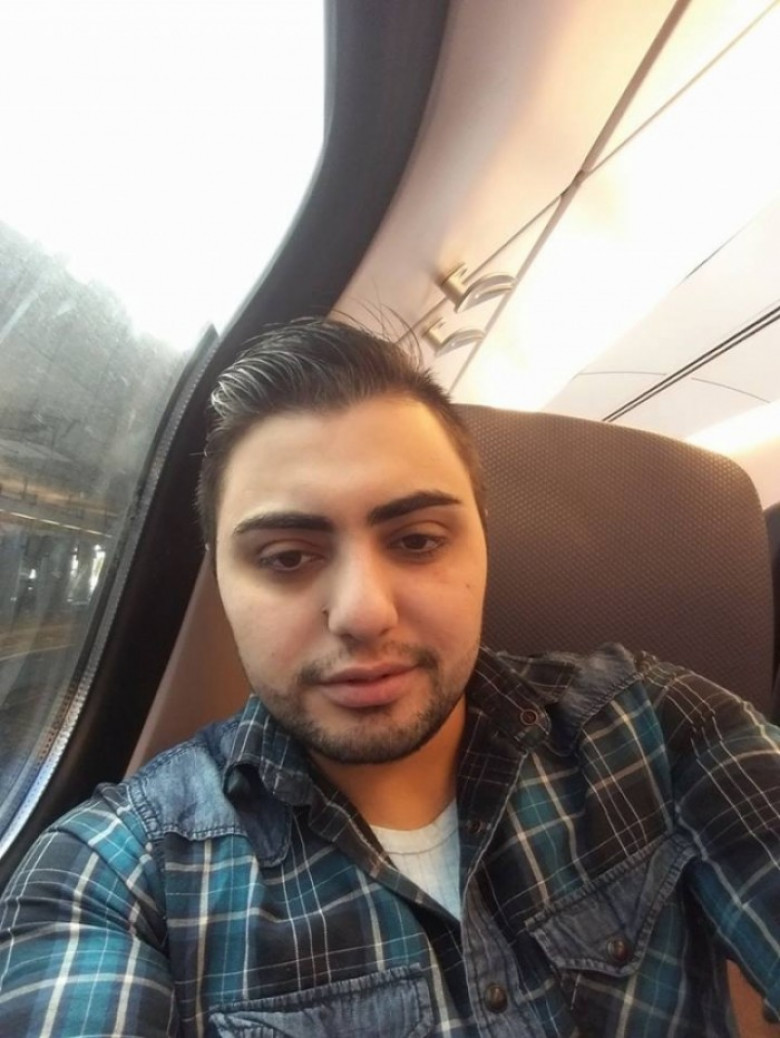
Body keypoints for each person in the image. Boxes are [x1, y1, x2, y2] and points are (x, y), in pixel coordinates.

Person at [0, 318, 779, 1036]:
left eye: (416, 540)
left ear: (482, 543)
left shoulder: (662, 728)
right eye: (287, 557)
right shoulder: (116, 876)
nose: (365, 613)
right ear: (222, 585)